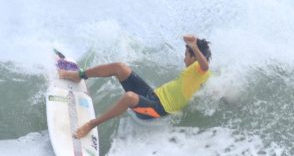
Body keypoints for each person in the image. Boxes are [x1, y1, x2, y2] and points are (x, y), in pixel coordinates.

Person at [59, 34, 212, 138]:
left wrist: (194, 46)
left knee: (129, 98)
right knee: (120, 67)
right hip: (152, 96)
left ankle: (92, 125)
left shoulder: (201, 70)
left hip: (158, 110)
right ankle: (78, 76)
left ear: (194, 57)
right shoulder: (196, 72)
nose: (184, 58)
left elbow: (204, 65)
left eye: (186, 55)